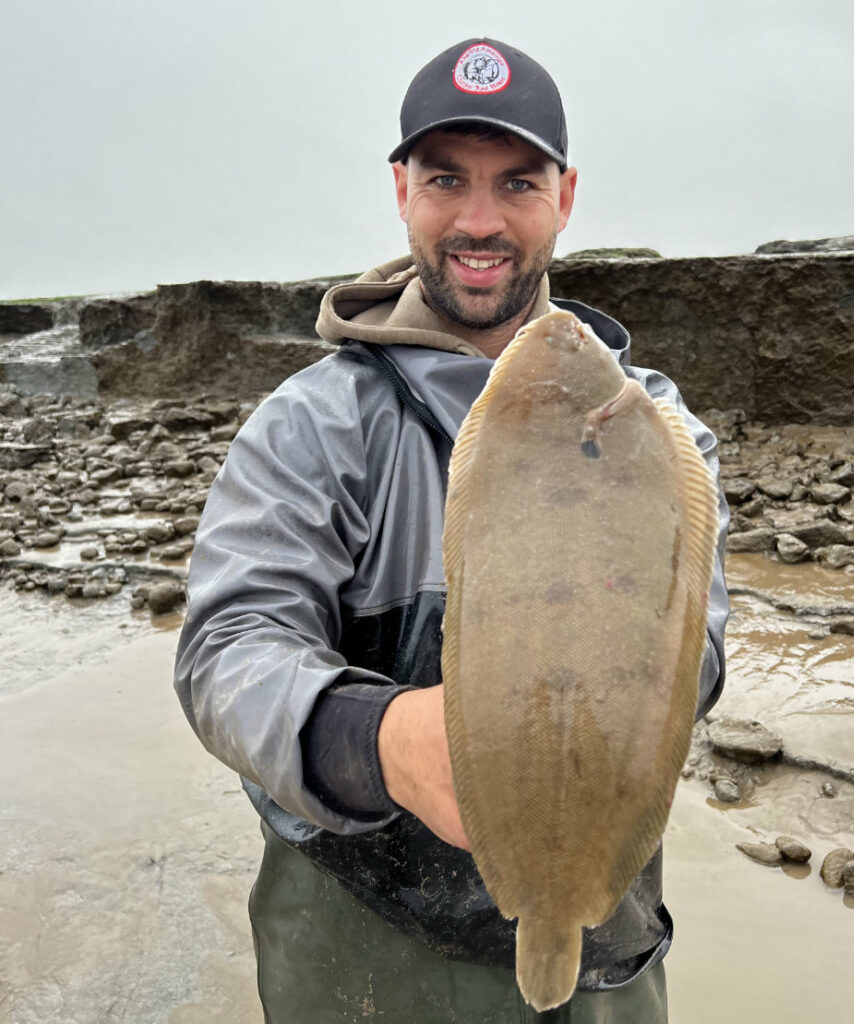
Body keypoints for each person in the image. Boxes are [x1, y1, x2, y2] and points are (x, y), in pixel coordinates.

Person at [174, 37, 729, 1024]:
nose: (479, 220)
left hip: (603, 936)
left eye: (516, 181)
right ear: (400, 189)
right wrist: (378, 738)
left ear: (563, 195)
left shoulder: (657, 431)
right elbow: (225, 651)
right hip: (358, 942)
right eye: (445, 179)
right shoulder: (313, 426)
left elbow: (704, 656)